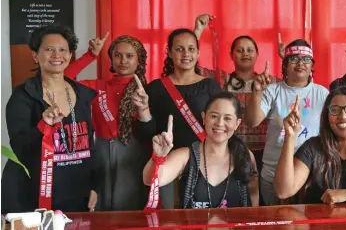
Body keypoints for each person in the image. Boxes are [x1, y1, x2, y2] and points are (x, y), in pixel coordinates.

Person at [1, 25, 99, 213]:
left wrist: (95, 184)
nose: (57, 55)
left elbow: (89, 146)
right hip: (31, 195)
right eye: (49, 49)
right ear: (35, 56)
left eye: (63, 50)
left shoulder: (83, 95)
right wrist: (43, 125)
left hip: (76, 193)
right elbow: (19, 147)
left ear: (70, 55)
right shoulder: (23, 96)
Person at [136, 28, 226, 209]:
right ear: (169, 52)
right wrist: (143, 109)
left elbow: (222, 127)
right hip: (166, 163)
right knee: (169, 220)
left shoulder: (210, 86)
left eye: (191, 49)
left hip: (203, 165)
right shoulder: (156, 88)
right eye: (179, 49)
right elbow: (147, 134)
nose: (186, 54)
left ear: (198, 52)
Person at [63, 34, 152, 211]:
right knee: (100, 207)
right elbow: (63, 80)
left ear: (139, 59)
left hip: (134, 155)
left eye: (129, 56)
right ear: (111, 58)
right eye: (117, 55)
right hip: (101, 152)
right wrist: (90, 55)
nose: (123, 61)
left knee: (130, 207)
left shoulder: (148, 90)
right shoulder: (97, 87)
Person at [245, 39, 329, 205]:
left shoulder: (322, 93)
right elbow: (252, 121)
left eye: (306, 59)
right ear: (284, 65)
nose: (300, 63)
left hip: (309, 174)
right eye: (294, 59)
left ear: (312, 65)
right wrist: (256, 93)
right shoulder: (273, 90)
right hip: (272, 171)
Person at [142, 92, 259, 208]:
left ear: (237, 123)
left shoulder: (245, 156)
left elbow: (253, 196)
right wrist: (158, 156)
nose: (219, 123)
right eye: (214, 116)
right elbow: (149, 180)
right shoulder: (185, 156)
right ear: (204, 118)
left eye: (227, 118)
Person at [193, 14, 275, 171]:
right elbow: (194, 68)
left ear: (257, 55)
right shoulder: (221, 79)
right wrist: (198, 31)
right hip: (228, 149)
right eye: (240, 50)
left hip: (265, 153)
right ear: (231, 55)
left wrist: (287, 59)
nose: (245, 54)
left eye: (250, 50)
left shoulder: (270, 82)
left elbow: (295, 86)